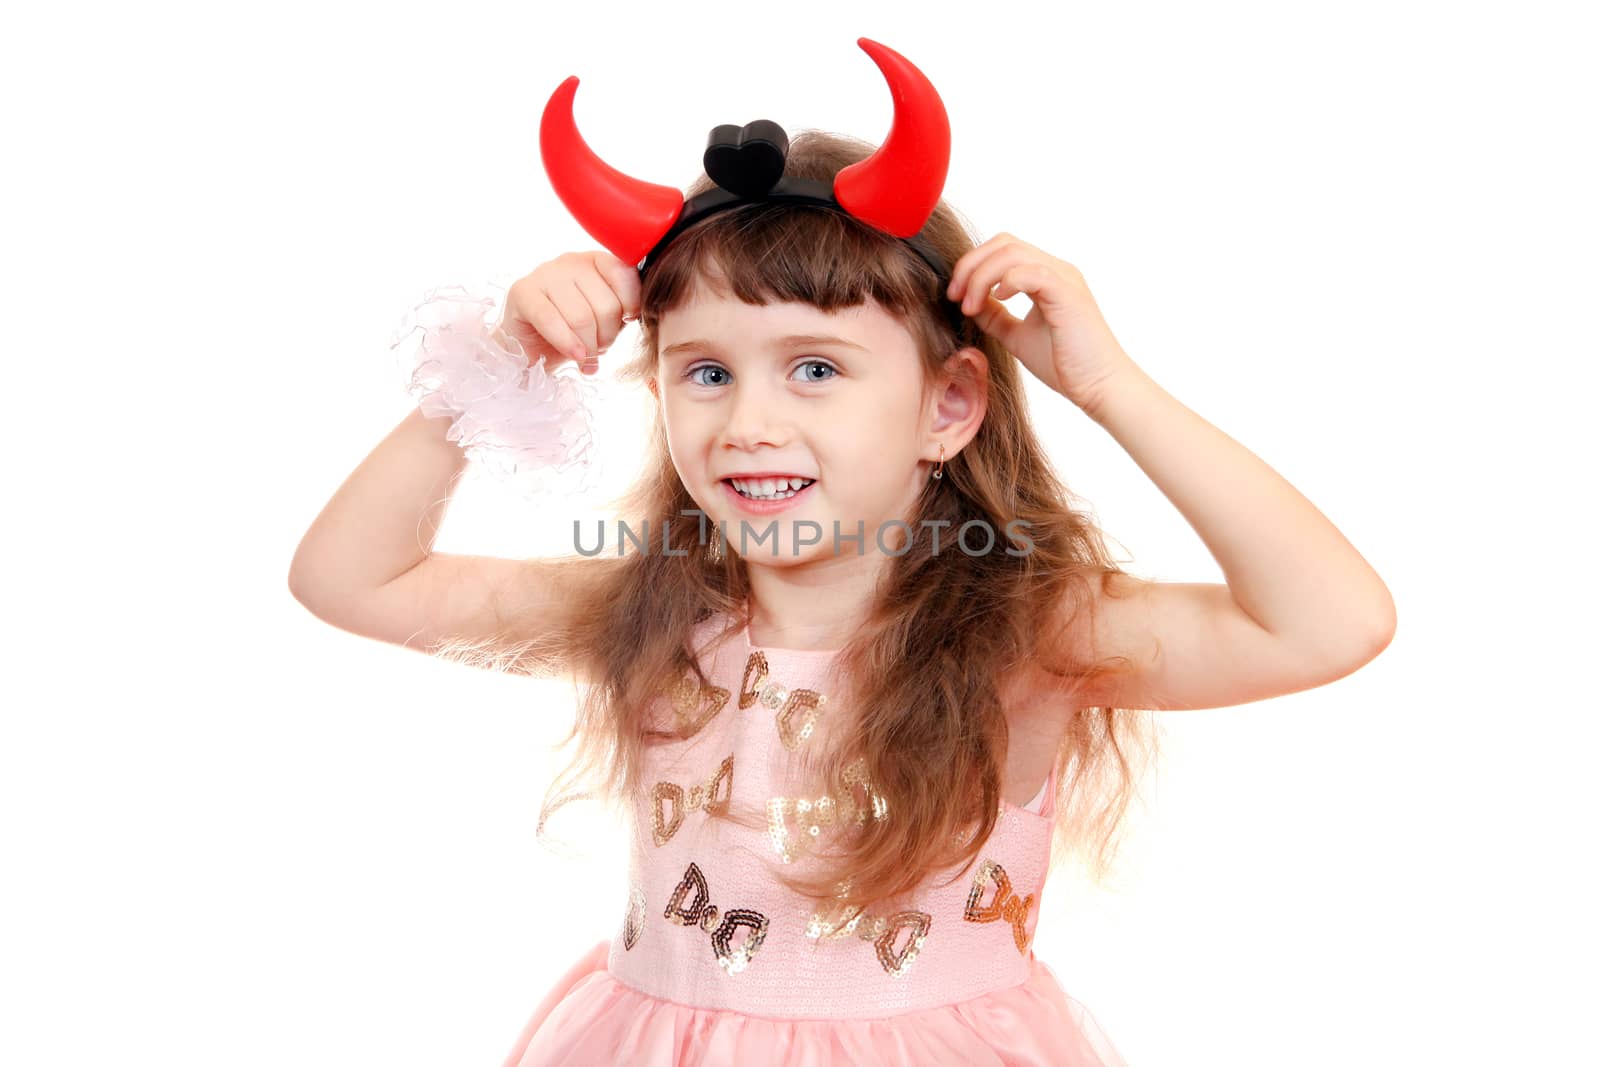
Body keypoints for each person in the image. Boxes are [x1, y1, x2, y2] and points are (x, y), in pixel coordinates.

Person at [288, 38, 1396, 1066]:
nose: (749, 421)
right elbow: (349, 578)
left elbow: (1329, 621)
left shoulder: (1028, 634)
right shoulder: (650, 614)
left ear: (948, 405)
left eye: (814, 367)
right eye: (706, 370)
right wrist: (502, 357)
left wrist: (1110, 386)